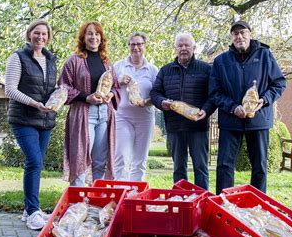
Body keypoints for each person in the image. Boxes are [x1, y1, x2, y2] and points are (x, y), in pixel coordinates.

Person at [209, 20, 286, 194]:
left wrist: (264, 100)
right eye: (235, 34)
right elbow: (214, 92)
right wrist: (233, 107)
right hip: (231, 120)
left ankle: (257, 203)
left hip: (258, 120)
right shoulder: (221, 61)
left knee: (259, 165)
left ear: (250, 34)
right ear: (231, 37)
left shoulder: (265, 55)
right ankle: (223, 203)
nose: (240, 37)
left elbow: (279, 83)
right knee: (224, 165)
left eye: (243, 32)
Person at [5, 19, 57, 230]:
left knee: (36, 163)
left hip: (45, 120)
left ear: (48, 37)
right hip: (24, 118)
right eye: (37, 33)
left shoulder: (51, 59)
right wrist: (33, 103)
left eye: (44, 34)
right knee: (34, 160)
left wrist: (58, 98)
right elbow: (10, 89)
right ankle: (34, 210)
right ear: (29, 34)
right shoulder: (18, 58)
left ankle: (29, 210)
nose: (40, 37)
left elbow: (52, 88)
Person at [150, 33, 215, 190]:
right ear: (175, 48)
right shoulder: (165, 70)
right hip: (175, 127)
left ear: (194, 47)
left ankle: (203, 201)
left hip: (198, 127)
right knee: (179, 168)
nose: (183, 48)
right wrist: (161, 102)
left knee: (201, 168)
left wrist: (206, 110)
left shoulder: (206, 69)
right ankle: (181, 201)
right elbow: (155, 93)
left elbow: (214, 95)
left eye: (187, 45)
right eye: (180, 45)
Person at [59, 21, 120, 187]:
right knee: (80, 158)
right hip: (84, 114)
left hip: (104, 115)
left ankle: (95, 199)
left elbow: (115, 87)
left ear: (101, 38)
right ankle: (76, 203)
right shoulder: (74, 61)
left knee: (100, 160)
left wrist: (110, 94)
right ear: (83, 38)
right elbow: (63, 87)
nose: (94, 37)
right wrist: (86, 97)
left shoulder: (106, 62)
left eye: (97, 34)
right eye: (90, 34)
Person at [113, 32, 158, 181]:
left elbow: (158, 94)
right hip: (122, 117)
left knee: (140, 160)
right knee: (121, 157)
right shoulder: (118, 66)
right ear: (128, 46)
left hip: (145, 118)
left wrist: (147, 101)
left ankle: (135, 194)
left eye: (139, 44)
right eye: (132, 44)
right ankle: (121, 193)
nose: (136, 47)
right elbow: (107, 89)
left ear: (144, 46)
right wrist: (118, 81)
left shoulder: (152, 69)